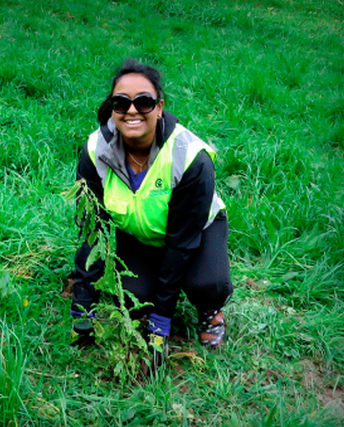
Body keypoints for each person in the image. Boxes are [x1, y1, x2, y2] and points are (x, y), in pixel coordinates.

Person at [70, 58, 233, 371]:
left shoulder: (191, 159)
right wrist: (83, 304)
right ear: (112, 108)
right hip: (139, 234)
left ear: (160, 107)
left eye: (143, 102)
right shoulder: (95, 151)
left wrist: (161, 319)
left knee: (208, 284)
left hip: (193, 233)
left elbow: (182, 242)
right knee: (133, 297)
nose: (132, 111)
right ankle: (153, 287)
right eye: (121, 103)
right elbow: (93, 230)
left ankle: (211, 310)